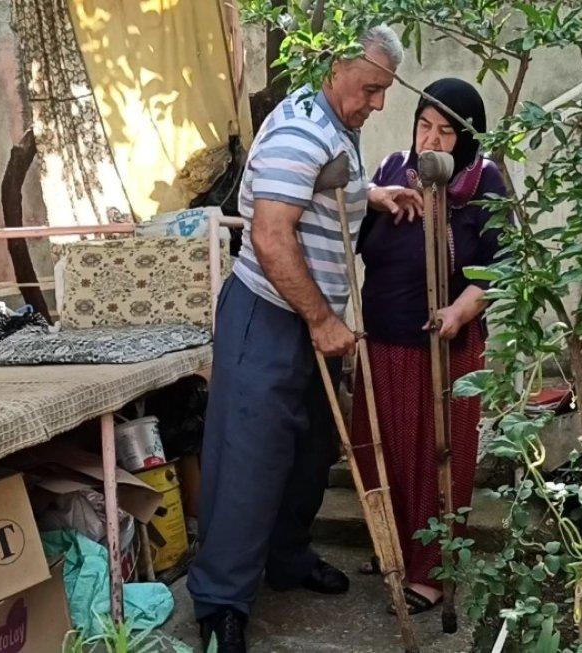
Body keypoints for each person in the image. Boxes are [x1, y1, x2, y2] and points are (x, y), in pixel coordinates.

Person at [186, 25, 423, 653]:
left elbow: (323, 190)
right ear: (339, 68)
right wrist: (322, 320)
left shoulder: (335, 124)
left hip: (313, 316)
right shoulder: (299, 130)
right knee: (251, 456)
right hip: (270, 313)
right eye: (371, 88)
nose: (377, 104)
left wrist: (369, 195)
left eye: (384, 93)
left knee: (308, 452)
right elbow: (271, 236)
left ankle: (286, 558)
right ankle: (221, 601)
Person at [351, 78, 506, 614]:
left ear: (466, 137)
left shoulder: (485, 183)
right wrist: (372, 202)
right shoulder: (393, 169)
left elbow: (501, 265)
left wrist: (462, 309)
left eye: (445, 132)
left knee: (436, 457)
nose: (432, 141)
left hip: (443, 346)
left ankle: (431, 573)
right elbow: (359, 232)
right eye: (424, 125)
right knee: (383, 449)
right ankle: (392, 548)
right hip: (382, 339)